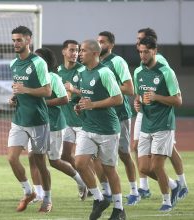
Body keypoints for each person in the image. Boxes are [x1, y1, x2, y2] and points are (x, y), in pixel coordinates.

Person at [133, 28, 188, 200]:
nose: (141, 53)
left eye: (145, 49)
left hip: (162, 117)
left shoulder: (163, 66)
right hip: (146, 114)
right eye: (139, 47)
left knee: (163, 157)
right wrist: (138, 101)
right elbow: (140, 93)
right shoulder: (138, 70)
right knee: (142, 160)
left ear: (154, 49)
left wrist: (156, 97)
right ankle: (172, 185)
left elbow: (173, 94)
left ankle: (175, 188)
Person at [28, 47, 87, 203]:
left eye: (38, 59)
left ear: (45, 62)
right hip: (35, 124)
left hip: (53, 124)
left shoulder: (53, 77)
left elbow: (64, 99)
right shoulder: (31, 78)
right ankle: (39, 193)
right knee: (32, 158)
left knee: (54, 161)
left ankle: (81, 180)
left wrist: (44, 103)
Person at [75, 40, 126, 220]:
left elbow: (118, 98)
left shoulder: (105, 72)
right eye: (80, 50)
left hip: (108, 129)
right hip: (88, 126)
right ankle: (99, 198)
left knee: (109, 170)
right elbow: (88, 97)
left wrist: (93, 104)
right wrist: (81, 107)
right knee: (80, 163)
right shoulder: (82, 72)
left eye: (83, 51)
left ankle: (119, 209)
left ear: (95, 54)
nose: (80, 53)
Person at [7, 26, 52, 213]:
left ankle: (47, 199)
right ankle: (28, 192)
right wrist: (15, 97)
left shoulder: (39, 63)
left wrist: (25, 90)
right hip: (19, 119)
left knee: (40, 162)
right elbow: (19, 89)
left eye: (19, 40)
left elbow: (47, 91)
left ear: (28, 41)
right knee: (12, 158)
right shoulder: (13, 64)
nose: (16, 43)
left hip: (38, 120)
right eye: (14, 40)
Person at [97, 31, 139, 205]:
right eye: (98, 41)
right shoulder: (95, 63)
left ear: (111, 45)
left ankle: (134, 191)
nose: (99, 45)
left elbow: (130, 89)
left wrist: (109, 85)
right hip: (101, 117)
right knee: (98, 157)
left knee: (124, 154)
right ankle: (107, 192)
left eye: (103, 42)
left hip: (119, 115)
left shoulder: (117, 61)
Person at [57, 40, 84, 172]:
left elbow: (91, 94)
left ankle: (96, 185)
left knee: (83, 159)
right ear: (64, 51)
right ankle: (83, 181)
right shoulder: (58, 72)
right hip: (66, 120)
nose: (75, 53)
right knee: (65, 155)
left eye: (77, 50)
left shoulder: (83, 70)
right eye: (72, 50)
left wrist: (74, 90)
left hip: (83, 121)